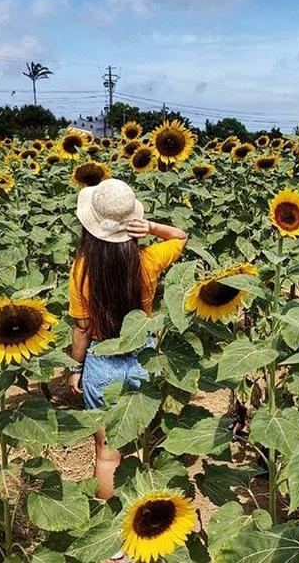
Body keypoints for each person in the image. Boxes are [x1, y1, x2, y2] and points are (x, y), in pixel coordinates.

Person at [66, 178, 187, 500]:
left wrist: (75, 367)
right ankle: (138, 521)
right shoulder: (148, 261)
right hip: (141, 359)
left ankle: (113, 532)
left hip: (102, 362)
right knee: (134, 448)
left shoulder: (82, 269)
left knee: (107, 452)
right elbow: (180, 236)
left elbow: (81, 326)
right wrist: (148, 227)